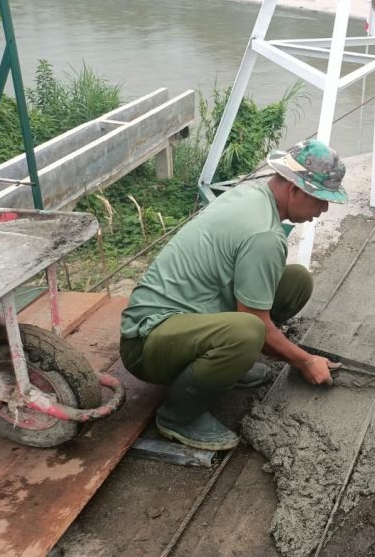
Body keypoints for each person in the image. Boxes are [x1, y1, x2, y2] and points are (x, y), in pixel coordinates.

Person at [119, 139, 348, 451]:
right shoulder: (264, 235)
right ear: (294, 190)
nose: (324, 209)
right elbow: (257, 323)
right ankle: (178, 416)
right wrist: (306, 362)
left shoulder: (251, 194)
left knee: (296, 281)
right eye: (320, 199)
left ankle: (227, 363)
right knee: (249, 331)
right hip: (147, 342)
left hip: (190, 315)